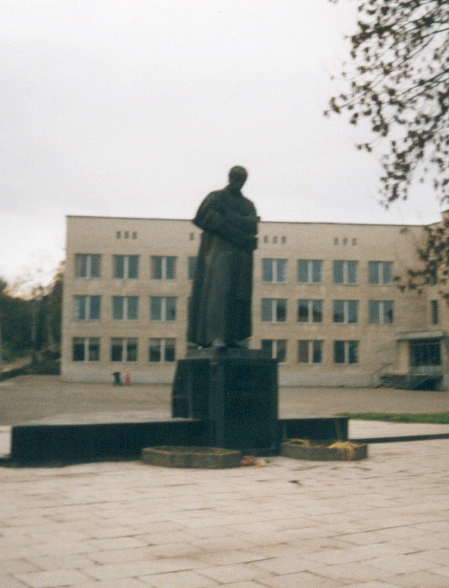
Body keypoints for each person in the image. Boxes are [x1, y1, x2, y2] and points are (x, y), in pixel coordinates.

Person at [187, 166, 258, 348]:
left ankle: (233, 337)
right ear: (229, 177)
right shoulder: (215, 197)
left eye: (242, 179)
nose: (238, 182)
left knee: (237, 297)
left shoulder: (247, 204)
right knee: (219, 294)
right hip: (219, 254)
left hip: (240, 257)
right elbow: (205, 219)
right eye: (236, 178)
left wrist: (226, 216)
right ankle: (215, 336)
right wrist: (237, 228)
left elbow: (252, 227)